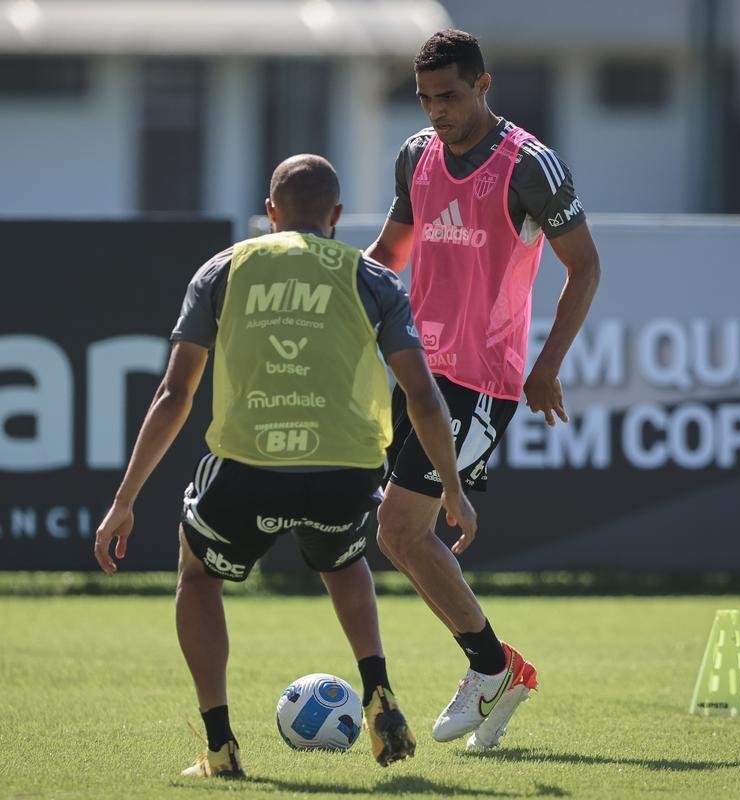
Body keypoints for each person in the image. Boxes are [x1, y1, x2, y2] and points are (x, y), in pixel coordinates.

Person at [93, 154, 477, 778]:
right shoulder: (373, 277)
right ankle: (377, 686)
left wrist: (124, 499)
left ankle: (220, 748)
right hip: (345, 471)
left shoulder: (224, 268)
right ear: (335, 216)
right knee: (344, 557)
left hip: (248, 466)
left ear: (270, 212)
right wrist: (453, 488)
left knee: (197, 573)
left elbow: (175, 395)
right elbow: (423, 396)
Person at [365, 30, 602, 750]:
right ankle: (502, 676)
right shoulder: (415, 155)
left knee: (401, 529)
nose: (437, 111)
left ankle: (491, 668)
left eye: (450, 96)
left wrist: (547, 365)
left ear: (484, 85)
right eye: (425, 98)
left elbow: (584, 267)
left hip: (481, 379)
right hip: (416, 374)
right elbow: (387, 258)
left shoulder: (529, 165)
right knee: (399, 537)